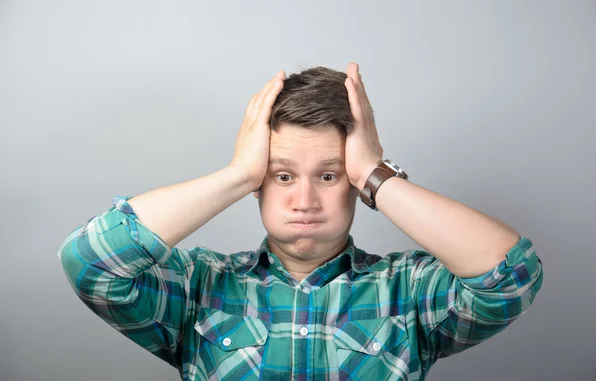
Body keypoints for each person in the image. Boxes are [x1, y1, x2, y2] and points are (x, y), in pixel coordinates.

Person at [57, 63, 543, 380]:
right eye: (282, 175)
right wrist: (238, 174)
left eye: (329, 175)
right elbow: (90, 264)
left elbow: (511, 277)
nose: (304, 199)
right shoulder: (198, 285)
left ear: (353, 181)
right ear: (259, 185)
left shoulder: (409, 290)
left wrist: (376, 175)